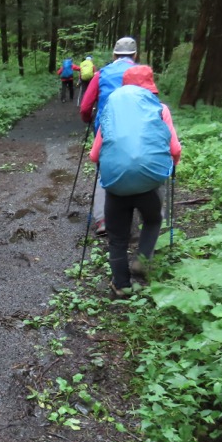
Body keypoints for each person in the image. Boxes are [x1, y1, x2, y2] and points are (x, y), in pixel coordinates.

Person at [88, 65, 181, 299]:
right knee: (153, 219)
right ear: (150, 87)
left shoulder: (111, 112)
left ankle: (121, 285)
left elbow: (94, 156)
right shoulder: (161, 110)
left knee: (117, 237)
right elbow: (175, 149)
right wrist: (172, 166)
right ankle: (142, 259)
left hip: (116, 188)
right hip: (149, 184)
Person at [79, 37, 138, 236]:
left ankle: (103, 220)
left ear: (114, 54)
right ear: (135, 55)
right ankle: (131, 217)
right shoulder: (141, 73)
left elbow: (86, 105)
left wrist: (88, 119)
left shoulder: (101, 74)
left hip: (106, 130)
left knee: (104, 171)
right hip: (136, 129)